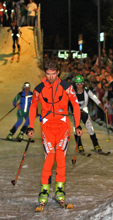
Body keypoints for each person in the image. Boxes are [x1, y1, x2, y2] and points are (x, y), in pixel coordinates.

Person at [27, 60, 82, 207]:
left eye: (53, 74)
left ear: (58, 72)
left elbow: (76, 106)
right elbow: (33, 107)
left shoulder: (67, 87)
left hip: (63, 126)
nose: (51, 77)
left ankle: (60, 189)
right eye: (48, 74)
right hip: (47, 127)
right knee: (49, 157)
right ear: (45, 73)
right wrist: (30, 126)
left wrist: (77, 124)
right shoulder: (39, 89)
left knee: (61, 157)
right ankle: (44, 189)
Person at [72, 75, 106, 154]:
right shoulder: (72, 92)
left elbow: (96, 100)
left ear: (83, 83)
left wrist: (103, 108)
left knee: (90, 128)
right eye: (78, 84)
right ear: (75, 84)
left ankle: (96, 145)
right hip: (75, 114)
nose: (79, 85)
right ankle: (80, 146)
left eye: (81, 83)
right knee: (76, 130)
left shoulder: (87, 91)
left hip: (84, 112)